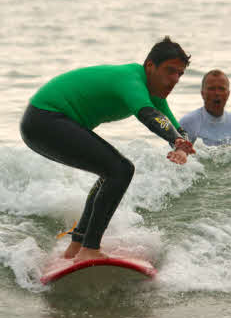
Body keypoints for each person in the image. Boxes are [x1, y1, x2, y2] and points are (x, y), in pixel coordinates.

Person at [20, 37, 195, 262]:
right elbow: (149, 116)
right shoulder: (131, 79)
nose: (175, 79)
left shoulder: (154, 95)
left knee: (111, 171)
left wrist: (180, 145)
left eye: (179, 74)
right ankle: (89, 249)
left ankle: (78, 246)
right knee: (121, 170)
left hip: (48, 122)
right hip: (45, 118)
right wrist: (176, 140)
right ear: (150, 66)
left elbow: (174, 128)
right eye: (170, 71)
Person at [179, 69, 231, 146]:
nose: (217, 93)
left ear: (228, 94)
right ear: (202, 93)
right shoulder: (187, 123)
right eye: (211, 89)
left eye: (221, 89)